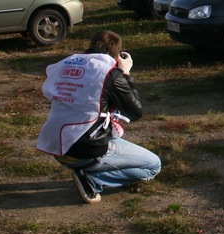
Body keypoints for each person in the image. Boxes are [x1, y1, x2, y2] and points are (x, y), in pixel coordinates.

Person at [36, 30, 161, 203]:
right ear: (117, 54)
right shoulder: (110, 73)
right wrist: (124, 74)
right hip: (85, 149)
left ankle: (87, 172)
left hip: (56, 145)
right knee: (153, 165)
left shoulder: (65, 64)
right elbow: (135, 112)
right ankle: (93, 180)